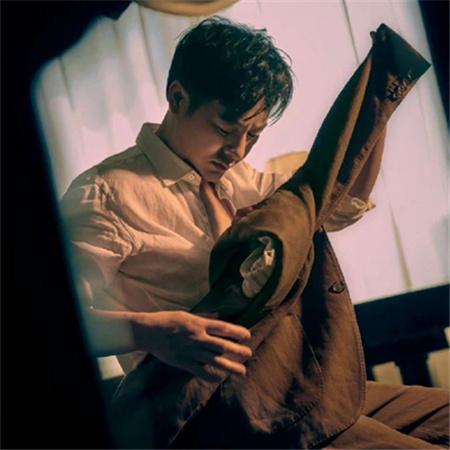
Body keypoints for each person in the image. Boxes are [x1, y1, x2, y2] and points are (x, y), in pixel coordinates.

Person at [61, 16, 448, 449]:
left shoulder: (238, 178)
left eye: (253, 135)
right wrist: (152, 333)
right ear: (178, 97)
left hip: (293, 381)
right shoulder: (105, 195)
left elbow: (339, 204)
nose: (238, 149)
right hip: (215, 411)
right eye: (225, 130)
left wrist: (377, 103)